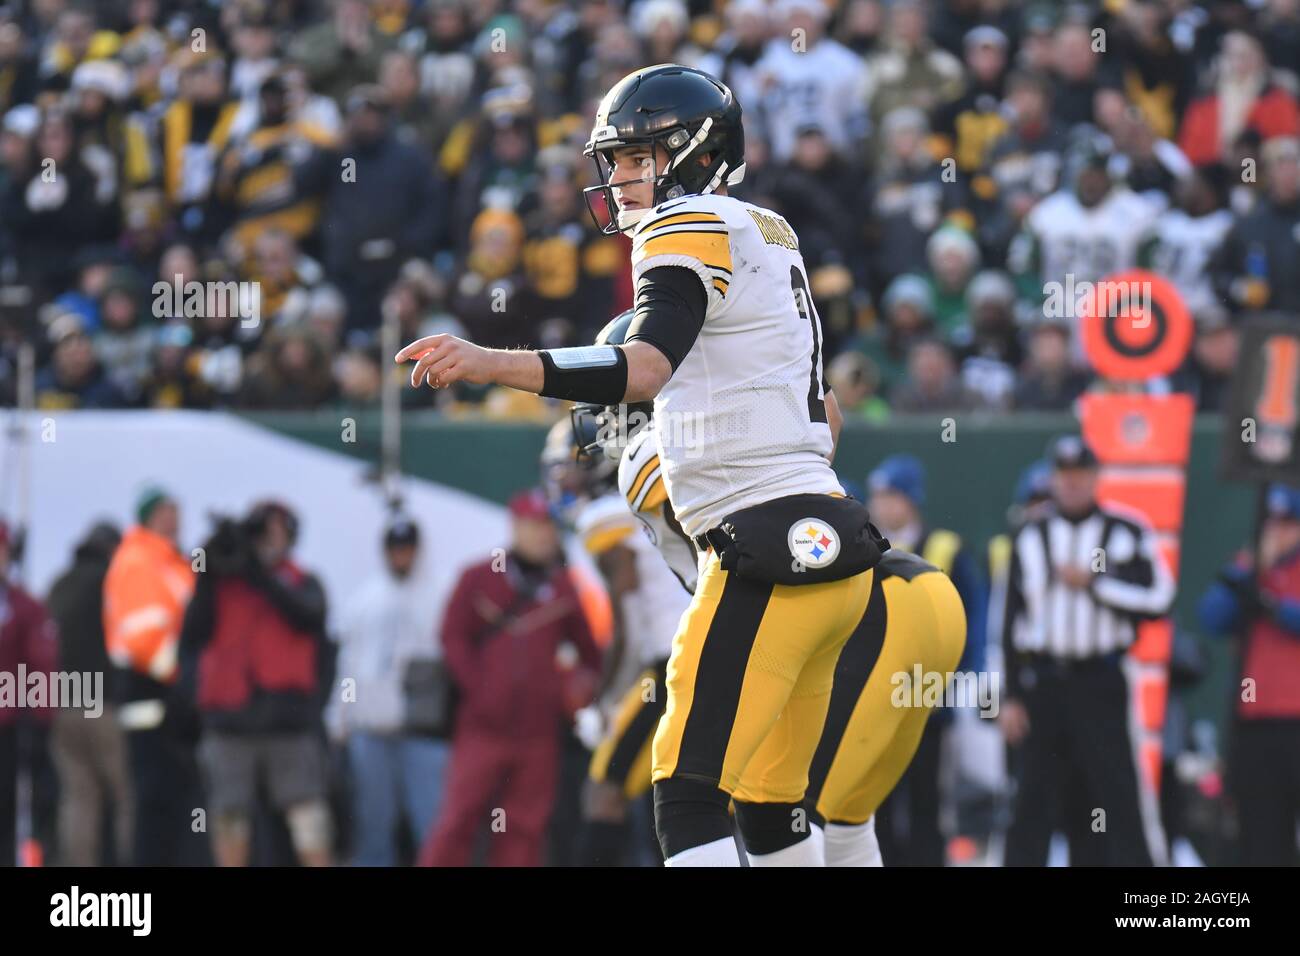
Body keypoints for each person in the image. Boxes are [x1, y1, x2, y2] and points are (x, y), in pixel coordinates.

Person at [397, 64, 893, 866]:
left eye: (635, 156)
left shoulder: (687, 222)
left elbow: (644, 369)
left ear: (695, 153)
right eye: (614, 158)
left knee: (687, 790)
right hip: (838, 547)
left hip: (761, 548)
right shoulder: (769, 231)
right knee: (777, 808)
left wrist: (489, 361)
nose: (618, 177)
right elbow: (826, 415)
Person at [999, 436, 1175, 866]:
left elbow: (1159, 598)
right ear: (1053, 479)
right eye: (1064, 475)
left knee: (1116, 797)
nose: (1072, 484)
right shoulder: (1029, 535)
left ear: (1096, 478)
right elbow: (1006, 624)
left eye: (1080, 475)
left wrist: (1096, 584)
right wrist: (1009, 696)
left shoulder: (1126, 530)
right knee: (1031, 802)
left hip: (1100, 681)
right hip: (1043, 682)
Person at [418, 489, 602, 867]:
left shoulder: (565, 587)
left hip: (538, 733)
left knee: (524, 828)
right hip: (482, 728)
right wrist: (480, 687)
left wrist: (570, 693)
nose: (543, 535)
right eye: (534, 526)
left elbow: (591, 655)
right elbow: (452, 637)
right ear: (515, 527)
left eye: (549, 526)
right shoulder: (479, 578)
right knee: (458, 819)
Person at [180, 500, 332, 867]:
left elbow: (308, 616)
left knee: (307, 817)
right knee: (229, 818)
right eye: (261, 532)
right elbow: (193, 632)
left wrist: (259, 576)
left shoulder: (303, 583)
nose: (267, 541)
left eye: (276, 532)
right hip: (230, 721)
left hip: (288, 723)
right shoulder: (222, 585)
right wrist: (207, 570)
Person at [865, 455, 987, 865]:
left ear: (911, 499)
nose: (883, 505)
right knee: (869, 805)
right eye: (878, 495)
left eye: (891, 495)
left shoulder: (945, 549)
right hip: (872, 700)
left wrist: (958, 684)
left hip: (928, 700)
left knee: (926, 803)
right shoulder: (861, 548)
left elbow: (974, 620)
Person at [327, 517, 450, 866]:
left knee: (432, 820)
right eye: (396, 550)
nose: (402, 557)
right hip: (372, 726)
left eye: (407, 549)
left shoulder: (440, 593)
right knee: (373, 822)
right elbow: (348, 665)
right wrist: (340, 717)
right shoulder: (365, 599)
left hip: (422, 728)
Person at [1198, 483, 1300, 866]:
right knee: (1261, 838)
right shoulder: (1246, 569)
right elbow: (1211, 616)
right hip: (1255, 723)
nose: (1278, 531)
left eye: (1288, 522)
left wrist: (1273, 608)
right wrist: (1247, 573)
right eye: (1271, 522)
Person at [102, 486, 204, 866]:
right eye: (164, 512)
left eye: (176, 510)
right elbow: (144, 633)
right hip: (150, 692)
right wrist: (180, 676)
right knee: (153, 798)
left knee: (178, 798)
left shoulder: (171, 561)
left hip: (171, 695)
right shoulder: (139, 560)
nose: (173, 520)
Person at [46, 521, 132, 866]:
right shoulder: (111, 582)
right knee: (128, 793)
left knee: (79, 798)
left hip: (63, 702)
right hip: (103, 701)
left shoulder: (60, 584)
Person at [0, 519, 58, 866]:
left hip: (9, 730)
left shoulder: (24, 608)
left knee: (10, 816)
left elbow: (41, 664)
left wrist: (38, 719)